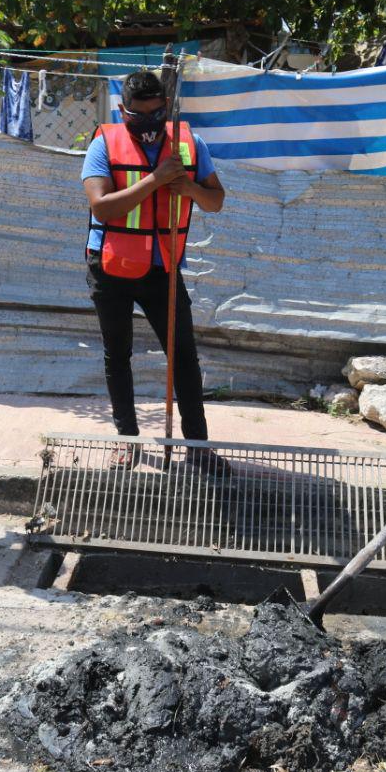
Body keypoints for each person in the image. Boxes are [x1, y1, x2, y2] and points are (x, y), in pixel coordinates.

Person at [82, 70, 230, 475]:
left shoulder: (188, 144)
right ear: (122, 111)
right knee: (119, 355)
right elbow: (102, 207)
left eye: (157, 114)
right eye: (140, 116)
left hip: (162, 267)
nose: (149, 124)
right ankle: (127, 442)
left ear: (166, 108)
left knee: (183, 357)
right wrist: (156, 179)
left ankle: (198, 447)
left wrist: (191, 189)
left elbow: (215, 200)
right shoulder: (103, 144)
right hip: (110, 265)